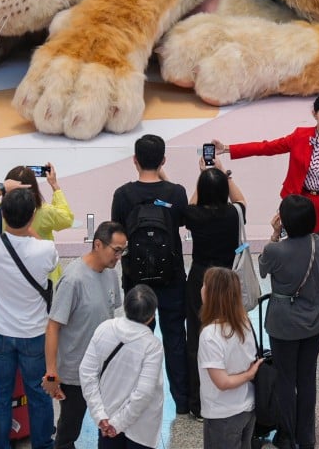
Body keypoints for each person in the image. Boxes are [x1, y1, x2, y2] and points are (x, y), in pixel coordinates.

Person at [215, 92, 319, 264]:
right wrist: (227, 148)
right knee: (299, 256)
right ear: (315, 114)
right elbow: (266, 147)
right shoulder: (299, 136)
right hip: (300, 205)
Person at [0, 181, 59, 449]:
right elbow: (51, 262)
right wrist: (31, 231)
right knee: (39, 395)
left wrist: (1, 187)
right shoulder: (45, 250)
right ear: (32, 216)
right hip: (33, 335)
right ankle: (42, 444)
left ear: (3, 215)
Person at [110, 134, 191, 414]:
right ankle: (182, 402)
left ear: (134, 160)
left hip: (136, 281)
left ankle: (134, 402)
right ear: (163, 160)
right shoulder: (176, 193)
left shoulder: (122, 195)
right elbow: (182, 220)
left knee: (136, 339)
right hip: (172, 278)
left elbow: (118, 234)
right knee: (175, 339)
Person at [44, 221, 128, 449]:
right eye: (116, 250)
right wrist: (51, 372)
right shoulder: (73, 279)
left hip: (105, 368)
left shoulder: (110, 274)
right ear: (98, 244)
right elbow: (53, 326)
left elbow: (111, 316)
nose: (119, 256)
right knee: (69, 429)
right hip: (75, 373)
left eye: (123, 250)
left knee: (111, 426)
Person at [260, 194, 319, 449]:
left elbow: (262, 269)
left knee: (285, 379)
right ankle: (307, 436)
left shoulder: (274, 250)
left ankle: (286, 435)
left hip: (284, 324)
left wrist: (274, 234)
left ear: (285, 220)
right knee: (307, 377)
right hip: (315, 320)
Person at [182, 160, 247, 417]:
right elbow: (241, 201)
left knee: (197, 339)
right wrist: (223, 174)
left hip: (201, 278)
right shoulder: (234, 214)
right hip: (228, 278)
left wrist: (203, 176)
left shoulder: (194, 216)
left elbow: (189, 205)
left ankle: (197, 404)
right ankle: (231, 390)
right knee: (230, 331)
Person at [80, 284, 165, 449]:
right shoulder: (152, 345)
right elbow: (143, 393)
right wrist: (118, 424)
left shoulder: (104, 328)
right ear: (151, 316)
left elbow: (86, 373)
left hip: (106, 418)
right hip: (141, 428)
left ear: (126, 306)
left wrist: (100, 415)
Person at [197, 267, 264, 449]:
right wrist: (249, 374)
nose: (201, 288)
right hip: (248, 407)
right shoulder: (244, 323)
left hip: (222, 414)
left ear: (212, 294)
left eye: (204, 285)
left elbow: (222, 382)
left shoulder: (210, 335)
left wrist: (249, 374)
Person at [0, 164, 75, 282]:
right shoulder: (44, 212)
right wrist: (55, 186)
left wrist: (0, 188)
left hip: (8, 274)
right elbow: (67, 219)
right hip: (41, 277)